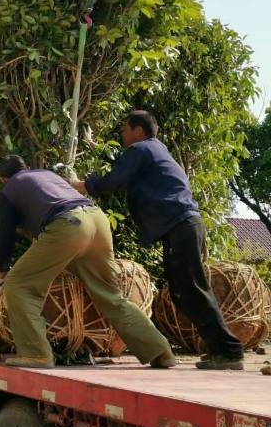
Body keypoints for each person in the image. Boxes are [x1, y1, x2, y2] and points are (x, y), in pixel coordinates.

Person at [71, 110, 244, 371]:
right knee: (182, 292)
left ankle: (229, 352)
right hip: (182, 226)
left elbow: (114, 180)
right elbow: (123, 168)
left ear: (138, 130)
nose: (122, 134)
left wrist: (78, 185)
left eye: (125, 129)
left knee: (192, 289)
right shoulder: (155, 150)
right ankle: (221, 349)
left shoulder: (141, 150)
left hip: (180, 226)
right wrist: (95, 148)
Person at [0, 154, 175, 369]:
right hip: (97, 220)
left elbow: (7, 233)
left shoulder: (9, 189)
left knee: (19, 284)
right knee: (111, 295)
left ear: (3, 179)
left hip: (68, 225)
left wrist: (3, 269)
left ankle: (36, 354)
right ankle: (159, 349)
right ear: (27, 168)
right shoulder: (47, 175)